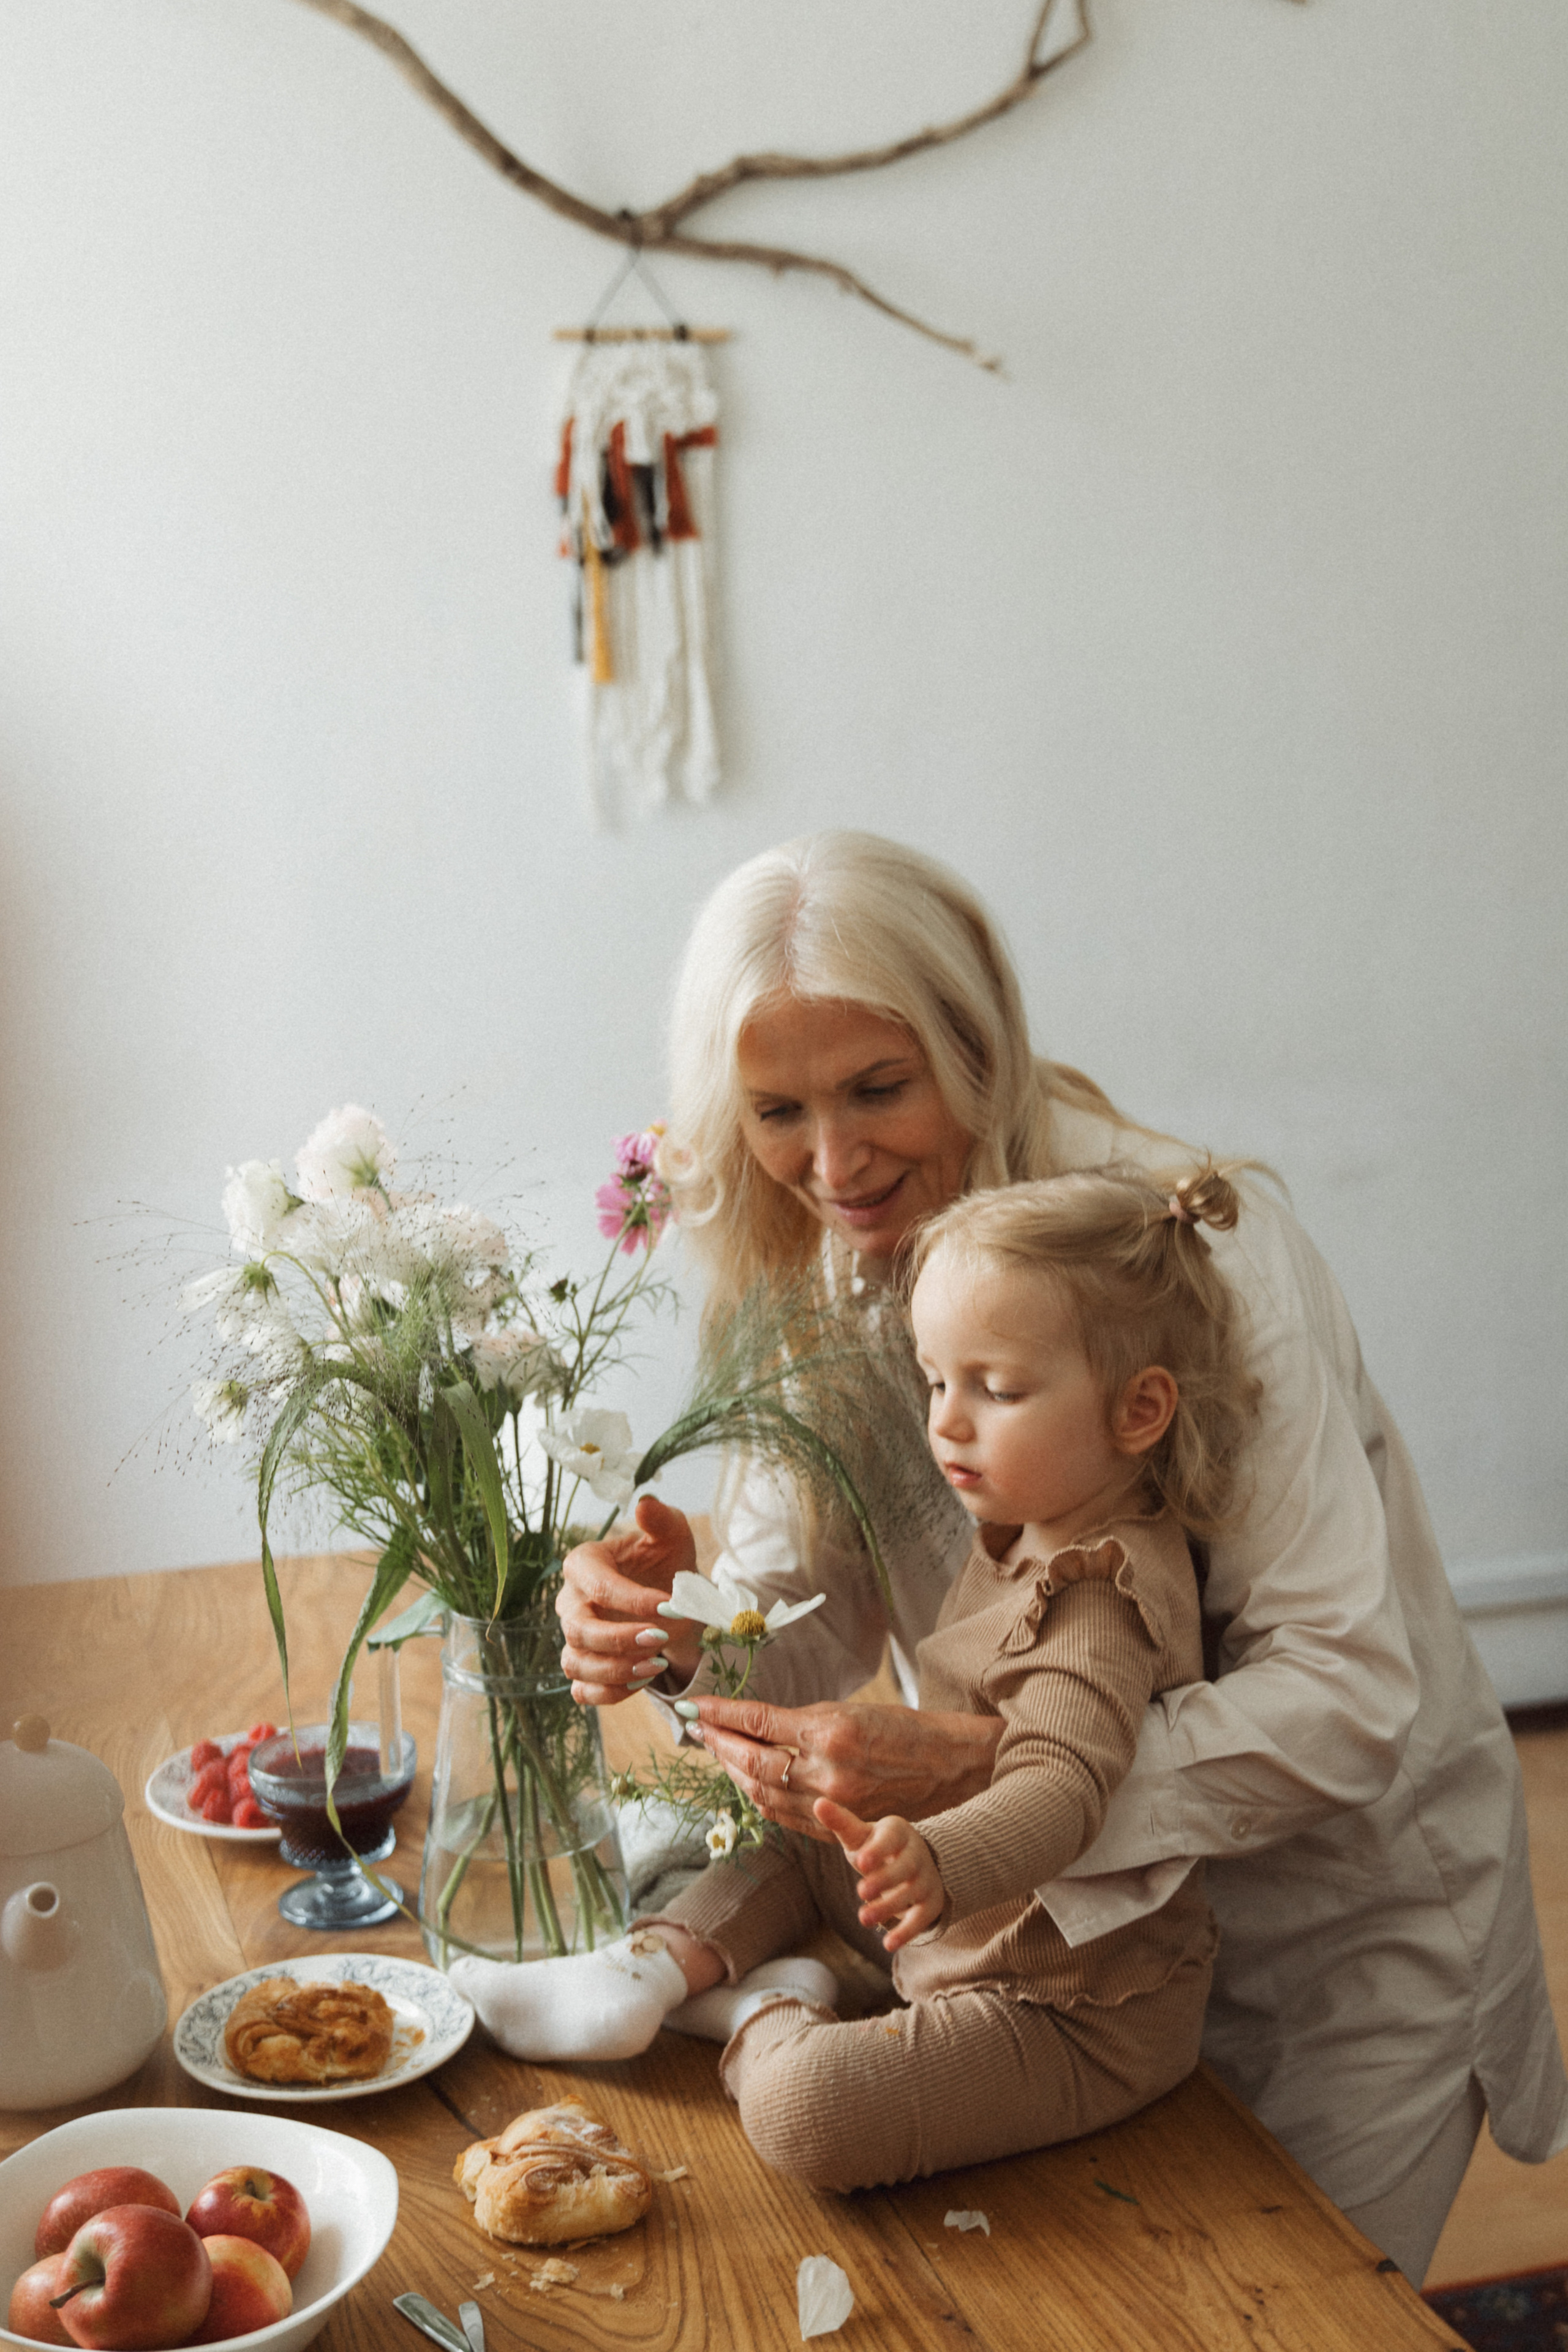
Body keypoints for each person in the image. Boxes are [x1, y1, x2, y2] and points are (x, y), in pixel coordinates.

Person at [546, 831, 1566, 2278]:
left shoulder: (1194, 1257)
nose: (831, 1164)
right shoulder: (816, 1261)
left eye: (877, 1090)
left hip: (1335, 1944)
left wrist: (1009, 1780)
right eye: (775, 1111)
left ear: (981, 1047)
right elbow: (809, 1640)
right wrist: (678, 1639)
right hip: (1038, 1942)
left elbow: (1341, 1697)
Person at [454, 1163, 1254, 2191]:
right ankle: (649, 1969)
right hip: (957, 1922)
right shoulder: (1032, 1524)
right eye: (937, 1381)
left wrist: (937, 1858)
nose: (947, 1423)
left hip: (1065, 2004)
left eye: (997, 1390)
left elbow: (1063, 1787)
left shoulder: (1096, 1595)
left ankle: (762, 2012)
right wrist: (686, 1635)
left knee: (811, 2112)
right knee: (799, 1824)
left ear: (1139, 1411)